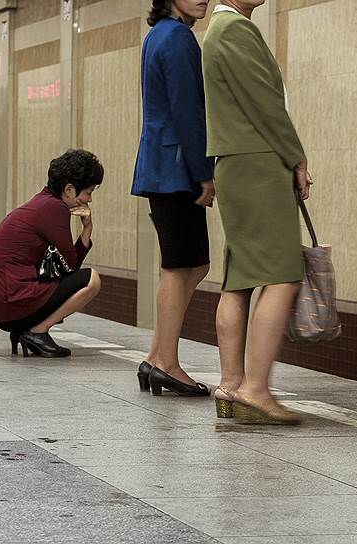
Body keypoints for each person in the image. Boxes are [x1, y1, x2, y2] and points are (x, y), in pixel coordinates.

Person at [202, 0, 312, 425]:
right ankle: (256, 388)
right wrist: (296, 157)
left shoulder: (220, 31)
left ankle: (231, 383)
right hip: (257, 163)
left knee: (240, 275)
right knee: (283, 273)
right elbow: (266, 105)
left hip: (237, 163)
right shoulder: (233, 30)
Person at [132, 0, 214, 397]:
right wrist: (205, 173)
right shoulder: (179, 38)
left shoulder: (158, 35)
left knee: (187, 264)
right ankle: (167, 363)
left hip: (161, 162)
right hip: (176, 167)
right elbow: (189, 112)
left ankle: (156, 356)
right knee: (181, 266)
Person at [0, 150, 103, 357]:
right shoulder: (54, 208)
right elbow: (71, 266)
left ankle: (27, 332)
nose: (89, 200)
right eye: (88, 192)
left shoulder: (42, 202)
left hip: (3, 304)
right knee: (92, 280)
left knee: (83, 278)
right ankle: (37, 332)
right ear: (70, 189)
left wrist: (86, 229)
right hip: (12, 302)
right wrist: (87, 228)